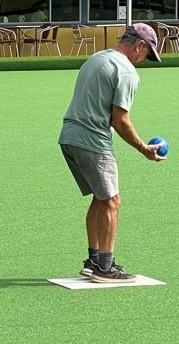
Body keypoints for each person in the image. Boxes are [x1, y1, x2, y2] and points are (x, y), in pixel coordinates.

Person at [57, 22, 164, 283]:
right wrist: (144, 149)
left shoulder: (96, 59)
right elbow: (120, 120)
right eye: (146, 55)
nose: (144, 61)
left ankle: (94, 259)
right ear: (139, 45)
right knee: (112, 201)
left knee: (101, 198)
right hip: (93, 141)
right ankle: (104, 267)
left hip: (69, 136)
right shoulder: (126, 71)